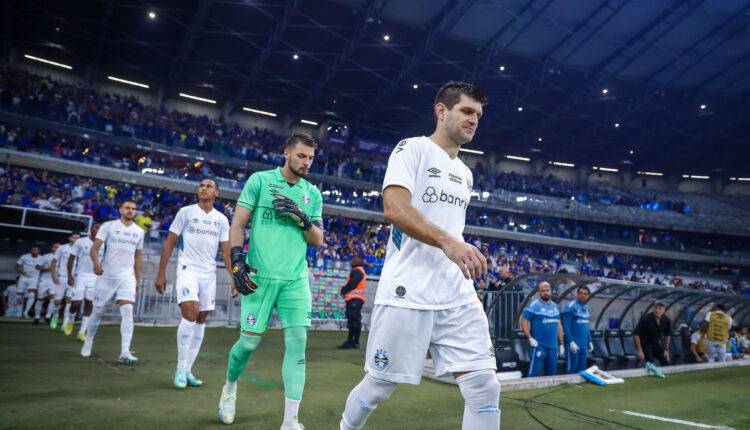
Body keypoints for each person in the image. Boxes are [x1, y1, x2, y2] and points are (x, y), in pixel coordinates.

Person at [339, 82, 499, 430]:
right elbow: (394, 207)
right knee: (379, 386)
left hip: (456, 291)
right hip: (408, 290)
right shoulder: (412, 149)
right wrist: (449, 242)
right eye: (467, 111)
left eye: (478, 115)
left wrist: (457, 245)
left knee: (484, 386)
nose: (474, 120)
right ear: (442, 111)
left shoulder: (466, 173)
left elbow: (448, 227)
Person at [218, 133, 324, 429]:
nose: (307, 163)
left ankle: (290, 421)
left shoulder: (312, 194)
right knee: (248, 344)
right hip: (259, 277)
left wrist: (302, 218)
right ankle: (229, 388)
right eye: (302, 156)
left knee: (297, 344)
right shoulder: (260, 181)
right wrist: (237, 263)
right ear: (286, 153)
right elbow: (237, 225)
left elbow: (318, 240)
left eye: (311, 158)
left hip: (295, 279)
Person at [155, 179, 233, 389]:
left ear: (216, 193)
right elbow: (170, 242)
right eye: (201, 185)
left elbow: (226, 251)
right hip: (187, 270)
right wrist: (161, 272)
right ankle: (180, 368)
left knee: (200, 319)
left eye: (209, 186)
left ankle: (188, 369)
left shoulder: (221, 220)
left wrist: (234, 278)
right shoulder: (186, 212)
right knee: (190, 314)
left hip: (208, 274)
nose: (204, 188)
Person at [80, 200, 144, 364]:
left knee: (128, 310)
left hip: (126, 276)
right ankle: (89, 341)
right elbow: (94, 248)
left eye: (133, 209)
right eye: (127, 208)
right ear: (121, 210)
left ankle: (125, 351)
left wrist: (137, 278)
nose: (130, 211)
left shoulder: (139, 231)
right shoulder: (108, 226)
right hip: (107, 275)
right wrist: (96, 263)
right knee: (98, 311)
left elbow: (138, 256)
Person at [520, 281, 565, 377]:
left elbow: (559, 326)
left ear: (551, 291)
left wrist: (561, 343)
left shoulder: (555, 306)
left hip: (553, 347)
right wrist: (530, 338)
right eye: (543, 291)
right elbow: (524, 322)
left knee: (551, 375)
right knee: (533, 375)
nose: (545, 293)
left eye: (547, 290)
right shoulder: (534, 305)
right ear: (539, 292)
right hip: (539, 346)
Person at [66, 224, 101, 341]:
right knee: (76, 303)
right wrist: (70, 275)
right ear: (91, 229)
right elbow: (71, 259)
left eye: (100, 228)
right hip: (80, 276)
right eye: (96, 227)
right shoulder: (80, 241)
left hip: (95, 277)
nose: (97, 230)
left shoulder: (104, 243)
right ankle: (71, 319)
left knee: (89, 303)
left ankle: (82, 331)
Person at [49, 233, 81, 332]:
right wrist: (53, 275)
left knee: (69, 301)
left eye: (78, 238)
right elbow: (53, 262)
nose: (76, 239)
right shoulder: (62, 248)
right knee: (57, 302)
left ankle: (65, 322)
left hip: (74, 278)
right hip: (62, 277)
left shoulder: (82, 249)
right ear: (70, 238)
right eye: (74, 237)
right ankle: (55, 315)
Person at [561, 285, 593, 374]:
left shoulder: (586, 307)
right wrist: (570, 341)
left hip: (583, 344)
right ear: (577, 294)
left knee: (582, 368)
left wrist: (589, 341)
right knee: (571, 368)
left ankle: (579, 386)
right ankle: (569, 386)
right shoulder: (571, 306)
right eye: (580, 293)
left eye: (585, 294)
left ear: (588, 295)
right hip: (573, 343)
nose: (583, 295)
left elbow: (586, 326)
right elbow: (565, 326)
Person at [337, 255, 366, 350]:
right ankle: (355, 341)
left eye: (354, 259)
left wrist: (343, 290)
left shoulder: (357, 271)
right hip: (356, 300)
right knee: (355, 321)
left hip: (354, 300)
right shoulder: (358, 271)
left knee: (353, 321)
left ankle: (351, 341)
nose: (351, 261)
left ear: (359, 261)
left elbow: (352, 284)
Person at [634, 300, 672, 366]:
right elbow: (636, 335)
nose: (657, 310)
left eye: (660, 308)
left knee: (666, 361)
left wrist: (666, 349)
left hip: (657, 343)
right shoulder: (645, 319)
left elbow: (667, 335)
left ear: (664, 310)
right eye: (655, 307)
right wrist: (639, 350)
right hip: (645, 344)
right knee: (650, 363)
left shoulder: (667, 320)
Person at [16, 246, 42, 319]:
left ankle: (26, 312)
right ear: (31, 250)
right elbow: (16, 266)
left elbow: (43, 267)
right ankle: (19, 312)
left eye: (36, 250)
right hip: (24, 277)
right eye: (33, 250)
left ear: (39, 251)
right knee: (19, 295)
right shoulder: (24, 256)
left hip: (34, 278)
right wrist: (21, 272)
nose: (35, 251)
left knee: (31, 294)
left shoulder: (41, 258)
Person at [34, 245, 58, 325]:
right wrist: (47, 269)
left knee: (52, 299)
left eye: (58, 247)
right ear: (52, 248)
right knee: (40, 300)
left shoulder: (63, 256)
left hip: (54, 280)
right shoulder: (46, 256)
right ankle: (37, 317)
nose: (57, 248)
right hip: (44, 280)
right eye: (55, 247)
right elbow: (37, 266)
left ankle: (48, 317)